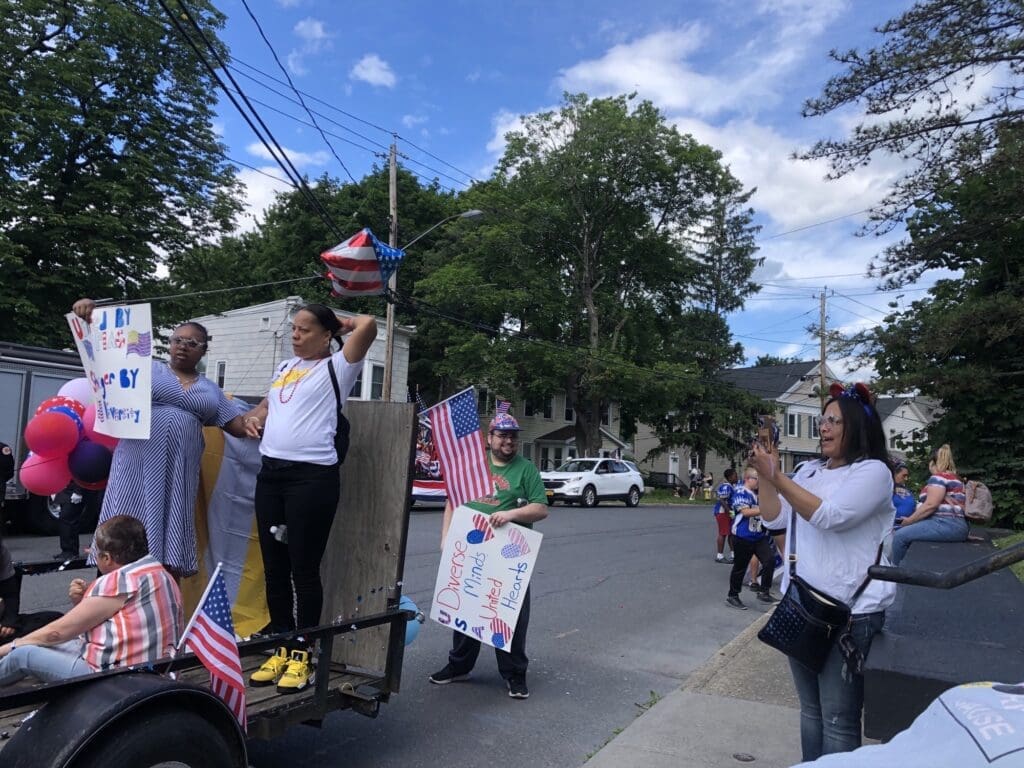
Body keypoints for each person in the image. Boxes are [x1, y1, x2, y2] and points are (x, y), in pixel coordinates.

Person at [749, 382, 896, 762]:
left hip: (849, 613)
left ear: (858, 426)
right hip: (803, 605)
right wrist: (766, 474)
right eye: (822, 420)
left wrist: (777, 476)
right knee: (811, 711)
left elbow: (831, 517)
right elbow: (775, 518)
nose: (823, 428)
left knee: (838, 719)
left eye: (834, 421)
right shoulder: (807, 471)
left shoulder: (874, 472)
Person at [243, 304, 377, 693]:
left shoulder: (338, 366)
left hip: (312, 478)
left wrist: (343, 323)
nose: (295, 335)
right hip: (271, 475)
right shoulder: (285, 368)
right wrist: (254, 417)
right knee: (274, 567)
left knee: (303, 568)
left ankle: (303, 652)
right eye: (294, 328)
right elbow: (266, 406)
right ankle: (282, 646)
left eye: (305, 329)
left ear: (326, 335)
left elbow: (368, 325)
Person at [71, 299, 253, 579]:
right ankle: (109, 588)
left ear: (204, 351)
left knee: (169, 525)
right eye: (178, 340)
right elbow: (108, 354)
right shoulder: (147, 368)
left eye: (192, 343)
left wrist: (272, 404)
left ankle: (161, 592)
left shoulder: (210, 389)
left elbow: (239, 426)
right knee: (125, 515)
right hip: (137, 460)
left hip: (178, 469)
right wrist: (90, 318)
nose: (183, 346)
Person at [429, 412, 548, 699]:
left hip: (508, 557)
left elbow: (541, 508)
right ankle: (459, 666)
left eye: (513, 436)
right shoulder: (475, 466)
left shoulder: (526, 470)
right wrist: (446, 538)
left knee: (508, 616)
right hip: (472, 552)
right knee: (465, 610)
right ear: (489, 438)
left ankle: (514, 674)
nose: (509, 441)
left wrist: (511, 514)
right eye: (503, 435)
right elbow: (453, 501)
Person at [0, 515, 182, 686]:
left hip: (117, 678)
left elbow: (55, 633)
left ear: (107, 558)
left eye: (95, 552)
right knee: (55, 642)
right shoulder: (160, 573)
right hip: (158, 671)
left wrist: (10, 647)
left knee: (23, 655)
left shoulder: (119, 581)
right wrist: (81, 602)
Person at [890, 444, 968, 565]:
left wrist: (909, 521)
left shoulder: (938, 478)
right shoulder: (956, 479)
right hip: (957, 525)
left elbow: (931, 505)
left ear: (932, 463)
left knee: (900, 536)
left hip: (944, 524)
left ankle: (894, 572)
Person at [725, 468, 775, 609]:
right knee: (740, 567)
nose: (759, 482)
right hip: (743, 536)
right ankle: (733, 596)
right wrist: (766, 508)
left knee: (769, 560)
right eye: (757, 479)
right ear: (748, 479)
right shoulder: (741, 492)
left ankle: (764, 592)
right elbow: (746, 512)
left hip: (758, 535)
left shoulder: (756, 494)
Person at [54, 482, 104, 561]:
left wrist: (78, 491)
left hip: (79, 486)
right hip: (70, 487)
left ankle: (70, 551)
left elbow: (84, 474)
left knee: (68, 518)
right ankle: (68, 550)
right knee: (66, 519)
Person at [713, 468, 738, 563]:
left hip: (727, 512)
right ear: (730, 477)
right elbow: (722, 500)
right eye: (735, 476)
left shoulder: (731, 486)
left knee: (731, 533)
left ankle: (733, 554)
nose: (737, 477)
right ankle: (719, 556)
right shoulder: (726, 487)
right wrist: (730, 512)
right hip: (723, 512)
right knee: (723, 533)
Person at [890, 459, 916, 525]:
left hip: (909, 525)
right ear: (894, 474)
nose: (906, 479)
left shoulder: (908, 490)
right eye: (904, 475)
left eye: (907, 476)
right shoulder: (886, 488)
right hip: (892, 526)